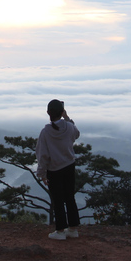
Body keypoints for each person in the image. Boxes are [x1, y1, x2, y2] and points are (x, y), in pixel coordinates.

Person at [36, 99, 81, 240]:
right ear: (62, 112)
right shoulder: (69, 127)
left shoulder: (45, 132)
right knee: (70, 197)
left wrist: (42, 174)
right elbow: (77, 134)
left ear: (48, 113)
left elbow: (42, 155)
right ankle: (73, 229)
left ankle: (60, 231)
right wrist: (66, 117)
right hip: (69, 166)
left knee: (58, 200)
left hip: (54, 169)